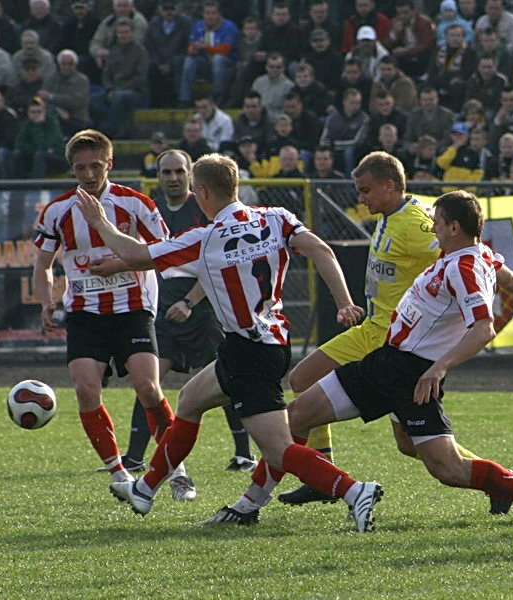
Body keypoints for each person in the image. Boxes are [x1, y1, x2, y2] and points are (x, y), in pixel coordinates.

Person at [231, 188, 513, 529]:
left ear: (454, 227)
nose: (433, 228)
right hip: (386, 363)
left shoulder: (465, 266)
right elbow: (500, 270)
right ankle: (255, 504)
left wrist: (439, 367)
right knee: (300, 419)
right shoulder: (471, 255)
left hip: (412, 374)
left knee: (449, 470)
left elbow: (483, 329)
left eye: (438, 223)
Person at [77, 152, 384, 533]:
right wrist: (344, 303)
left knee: (278, 450)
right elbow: (322, 251)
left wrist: (100, 222)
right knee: (189, 400)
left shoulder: (205, 238)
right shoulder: (276, 217)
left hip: (250, 353)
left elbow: (136, 253)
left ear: (201, 192)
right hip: (267, 340)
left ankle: (355, 490)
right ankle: (146, 488)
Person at [32, 129, 173, 491]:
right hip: (83, 313)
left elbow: (165, 255)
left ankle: (176, 465)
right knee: (84, 389)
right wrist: (46, 299)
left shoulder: (135, 203)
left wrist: (121, 264)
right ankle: (119, 473)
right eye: (81, 168)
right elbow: (44, 263)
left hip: (132, 308)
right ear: (72, 169)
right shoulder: (57, 211)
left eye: (96, 166)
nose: (90, 175)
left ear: (109, 163)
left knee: (148, 388)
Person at [112, 149, 258, 477]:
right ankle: (134, 457)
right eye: (167, 172)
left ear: (191, 175)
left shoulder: (204, 208)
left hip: (203, 312)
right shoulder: (153, 209)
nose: (173, 178)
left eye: (179, 171)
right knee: (148, 384)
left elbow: (217, 261)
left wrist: (190, 302)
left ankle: (244, 454)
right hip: (163, 314)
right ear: (158, 176)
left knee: (225, 380)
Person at [11, 96, 66, 179]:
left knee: (40, 155)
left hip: (58, 157)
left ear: (44, 112)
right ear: (28, 113)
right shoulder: (28, 124)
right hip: (37, 155)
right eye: (33, 112)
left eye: (39, 112)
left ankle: (36, 187)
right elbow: (18, 143)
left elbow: (45, 145)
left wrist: (38, 126)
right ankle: (17, 187)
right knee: (18, 154)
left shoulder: (52, 123)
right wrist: (34, 149)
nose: (36, 115)